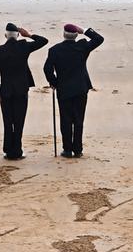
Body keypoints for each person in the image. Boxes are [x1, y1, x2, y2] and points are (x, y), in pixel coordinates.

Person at [43, 23, 104, 158]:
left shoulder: (55, 50)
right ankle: (78, 150)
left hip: (64, 88)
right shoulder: (82, 46)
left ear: (64, 34)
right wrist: (85, 31)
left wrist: (54, 82)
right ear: (76, 35)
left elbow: (47, 69)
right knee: (78, 119)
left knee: (65, 120)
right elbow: (99, 39)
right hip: (81, 87)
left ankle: (67, 150)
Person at [0, 23, 48, 159]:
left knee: (7, 121)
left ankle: (8, 150)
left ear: (5, 36)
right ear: (17, 35)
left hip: (5, 90)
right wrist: (28, 35)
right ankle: (17, 150)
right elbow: (43, 41)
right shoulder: (24, 46)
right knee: (19, 121)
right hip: (21, 89)